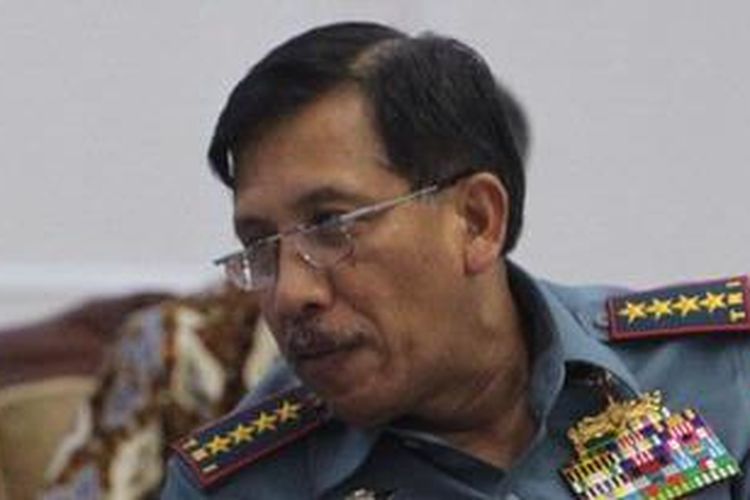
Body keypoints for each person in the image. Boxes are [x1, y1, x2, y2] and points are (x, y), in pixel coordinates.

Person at [162, 21, 750, 499]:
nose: (291, 293)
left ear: (476, 221)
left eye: (330, 226)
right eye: (260, 246)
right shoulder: (245, 485)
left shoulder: (712, 371)